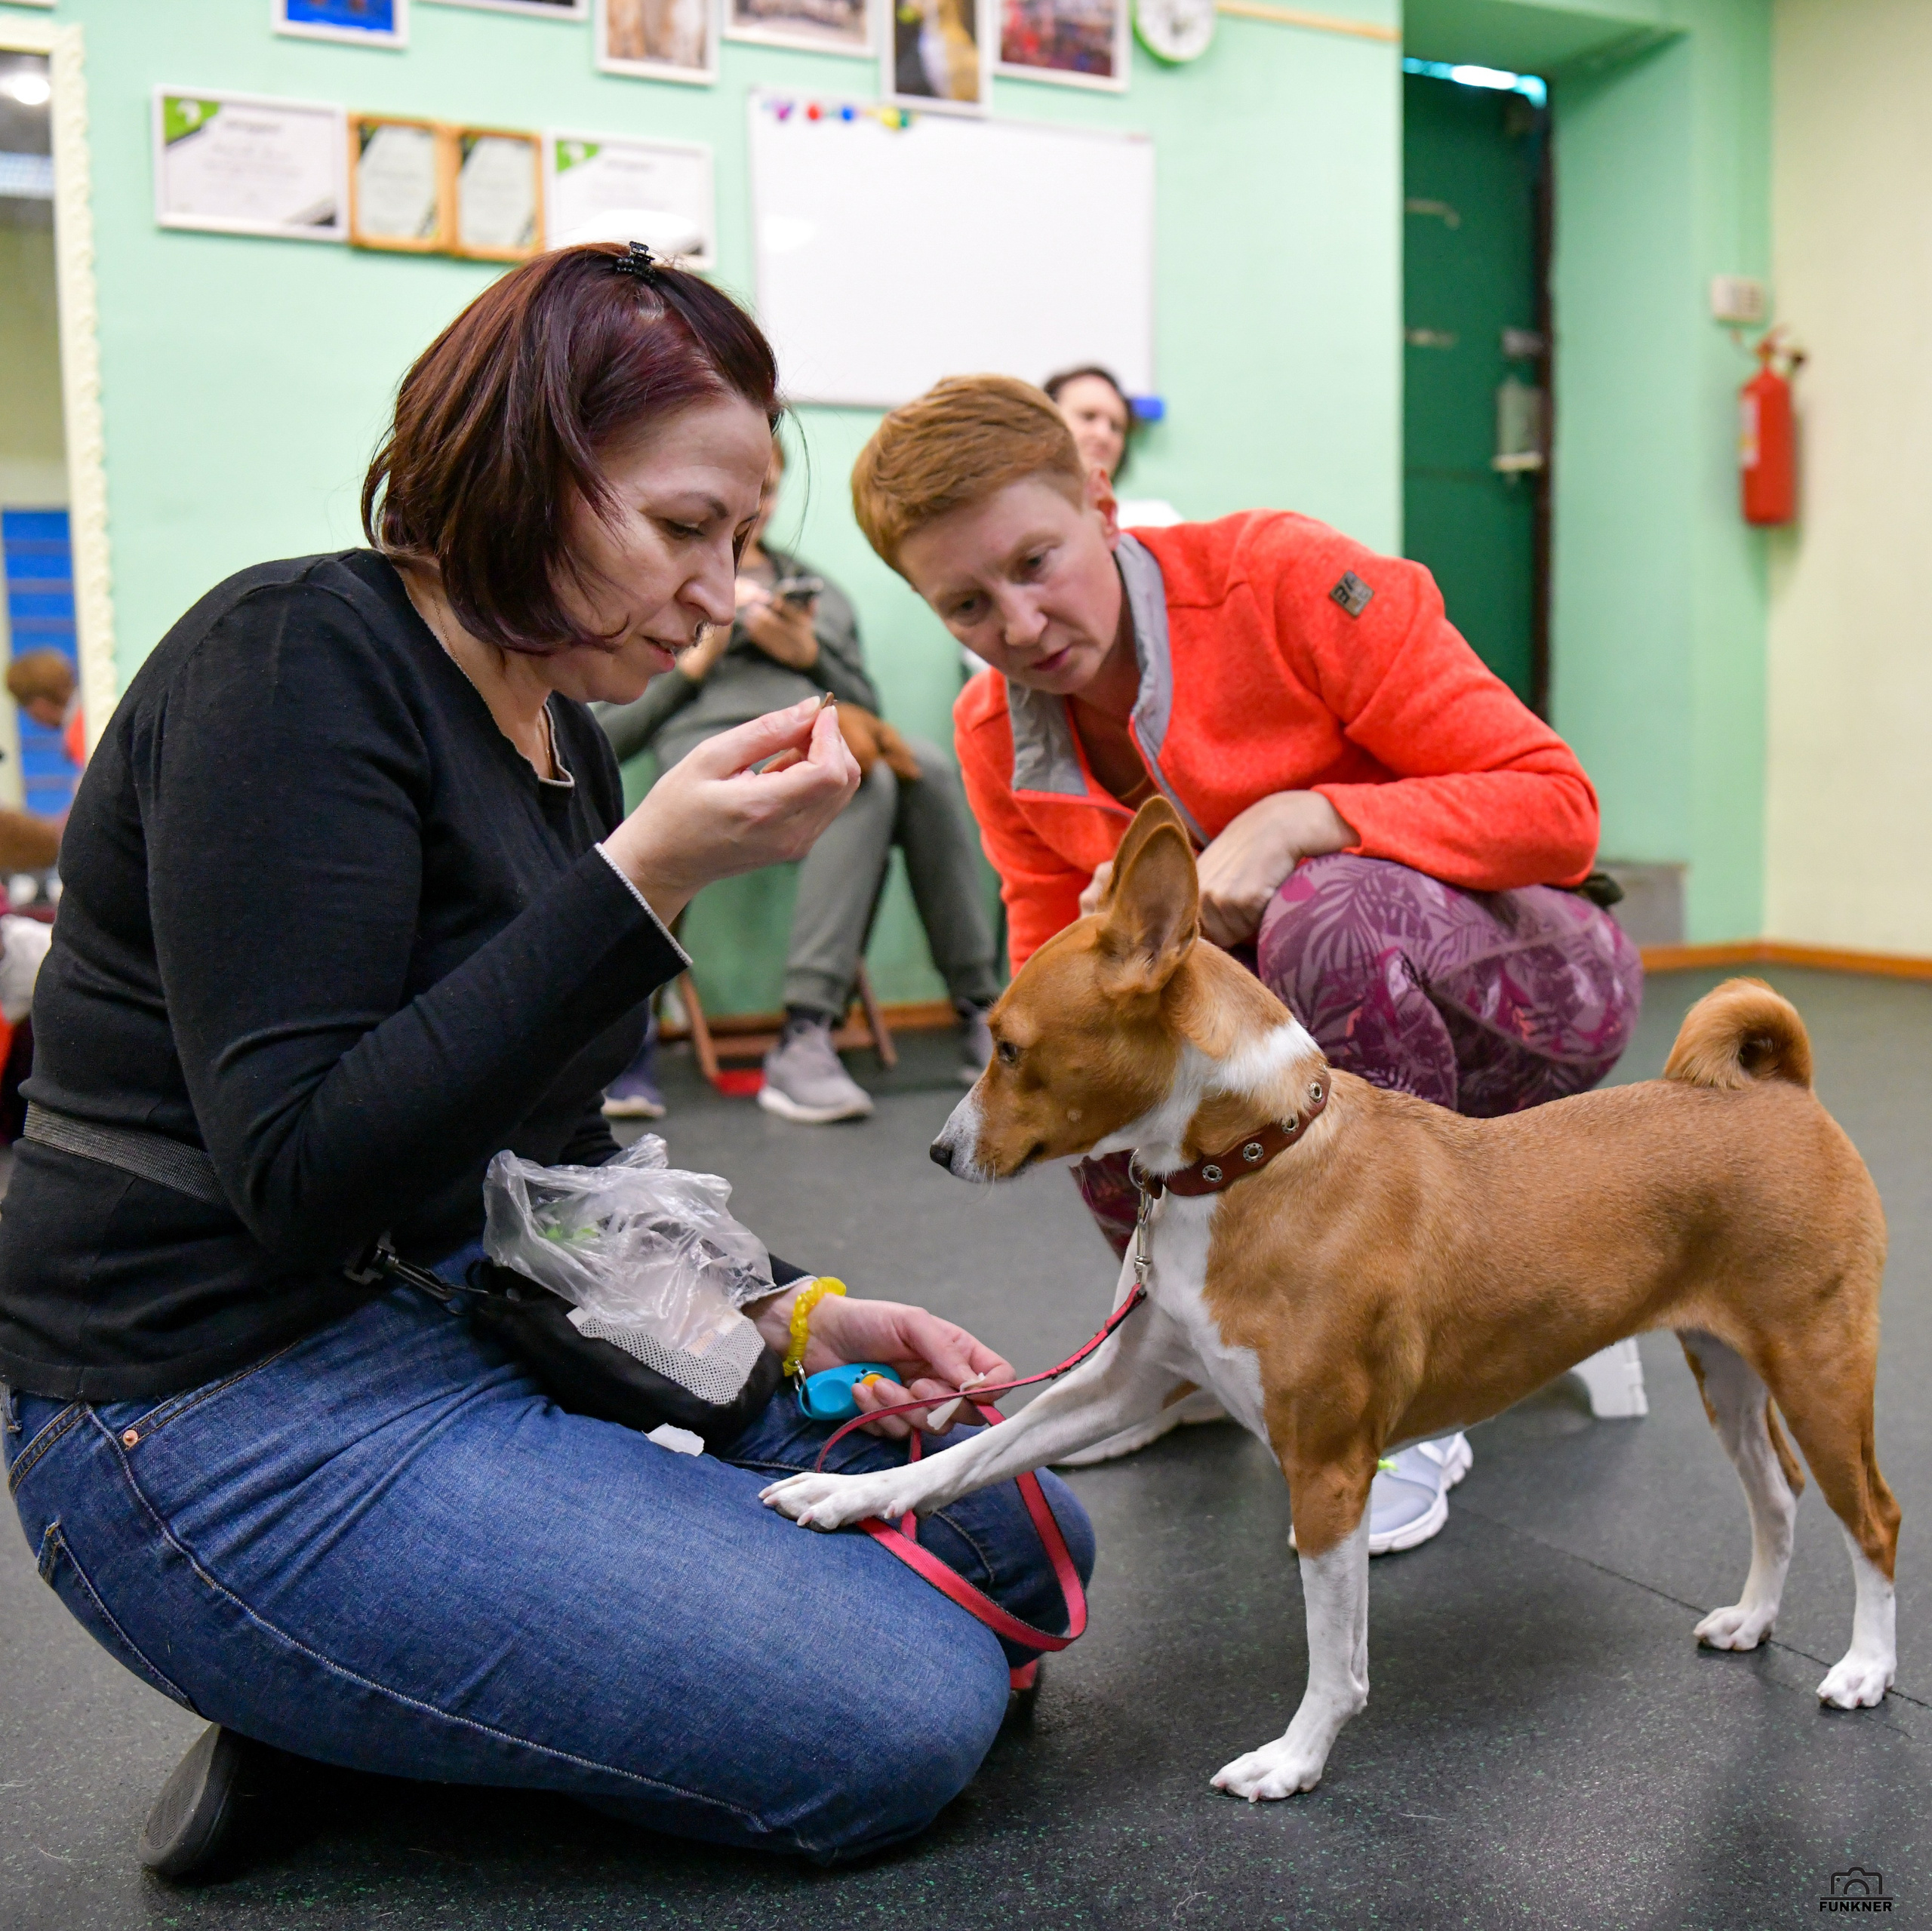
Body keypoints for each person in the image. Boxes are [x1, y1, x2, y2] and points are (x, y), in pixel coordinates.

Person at [0, 253, 1092, 1877]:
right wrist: (640, 881)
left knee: (1024, 1538)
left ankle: (422, 1673)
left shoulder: (565, 733)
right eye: (680, 529)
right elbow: (301, 1176)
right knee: (903, 1713)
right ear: (520, 467)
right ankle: (338, 1696)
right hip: (209, 1406)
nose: (722, 593)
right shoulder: (295, 656)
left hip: (464, 1320)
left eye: (736, 539)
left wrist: (792, 1312)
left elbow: (564, 1166)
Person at [848, 374, 1641, 1552]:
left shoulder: (1286, 578)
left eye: (1035, 563)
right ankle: (1170, 1356)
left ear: (1103, 504)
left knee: (1324, 915)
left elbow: (1559, 806)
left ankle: (1396, 1400)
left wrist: (1303, 815)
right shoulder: (989, 733)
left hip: (1529, 982)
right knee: (1083, 1045)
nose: (1016, 625)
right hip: (1299, 1051)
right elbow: (1038, 962)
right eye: (964, 604)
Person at [596, 438, 1002, 1124]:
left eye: (767, 491)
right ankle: (808, 1029)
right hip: (716, 754)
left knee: (916, 765)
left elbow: (867, 701)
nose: (754, 509)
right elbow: (608, 733)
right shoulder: (662, 585)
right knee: (852, 777)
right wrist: (699, 662)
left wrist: (809, 654)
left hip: (817, 736)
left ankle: (979, 1010)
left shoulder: (816, 593)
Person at [1042, 364, 1180, 530]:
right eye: (1088, 417)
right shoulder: (1015, 519)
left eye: (1115, 427)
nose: (1103, 435)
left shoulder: (1157, 521)